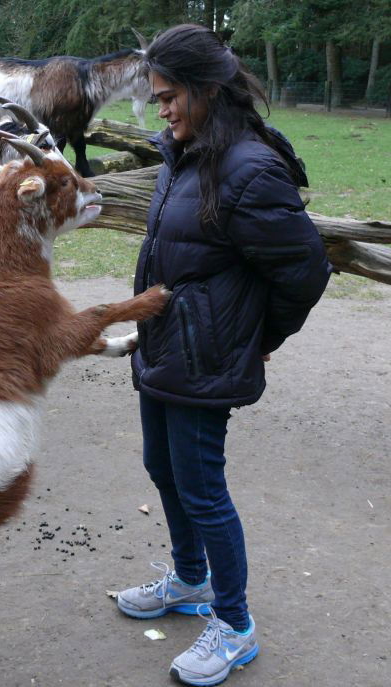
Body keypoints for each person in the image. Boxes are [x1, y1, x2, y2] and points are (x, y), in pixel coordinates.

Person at [116, 24, 332, 687]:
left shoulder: (249, 169)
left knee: (203, 488)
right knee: (162, 466)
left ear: (206, 88)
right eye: (156, 98)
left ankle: (235, 624)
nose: (161, 110)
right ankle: (190, 578)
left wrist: (260, 338)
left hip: (205, 357)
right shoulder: (186, 153)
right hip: (164, 346)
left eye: (168, 96)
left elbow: (306, 270)